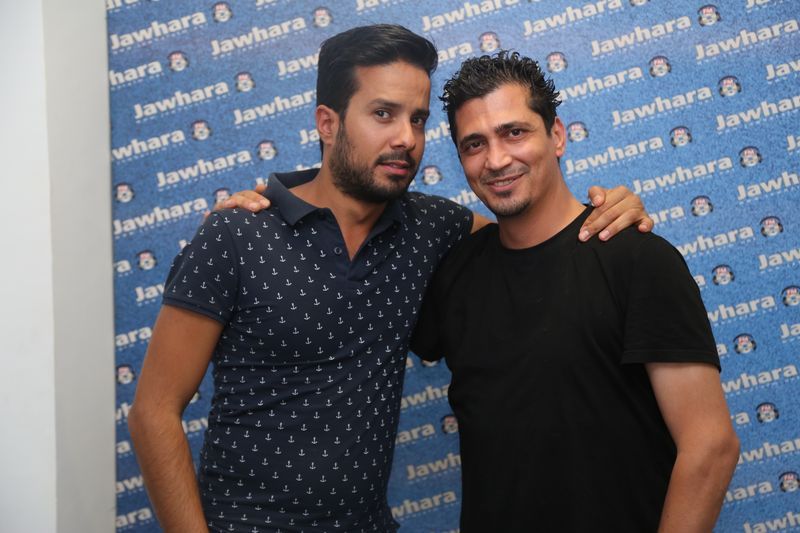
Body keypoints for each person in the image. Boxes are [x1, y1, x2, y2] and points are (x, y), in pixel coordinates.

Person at [127, 25, 652, 533]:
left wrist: (611, 210)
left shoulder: (430, 228)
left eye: (418, 120)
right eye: (383, 114)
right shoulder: (238, 232)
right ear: (327, 123)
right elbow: (153, 412)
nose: (406, 138)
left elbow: (532, 234)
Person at [411, 51, 740, 532]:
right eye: (474, 144)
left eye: (514, 132)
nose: (496, 160)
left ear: (558, 136)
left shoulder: (636, 259)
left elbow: (710, 446)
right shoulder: (453, 275)